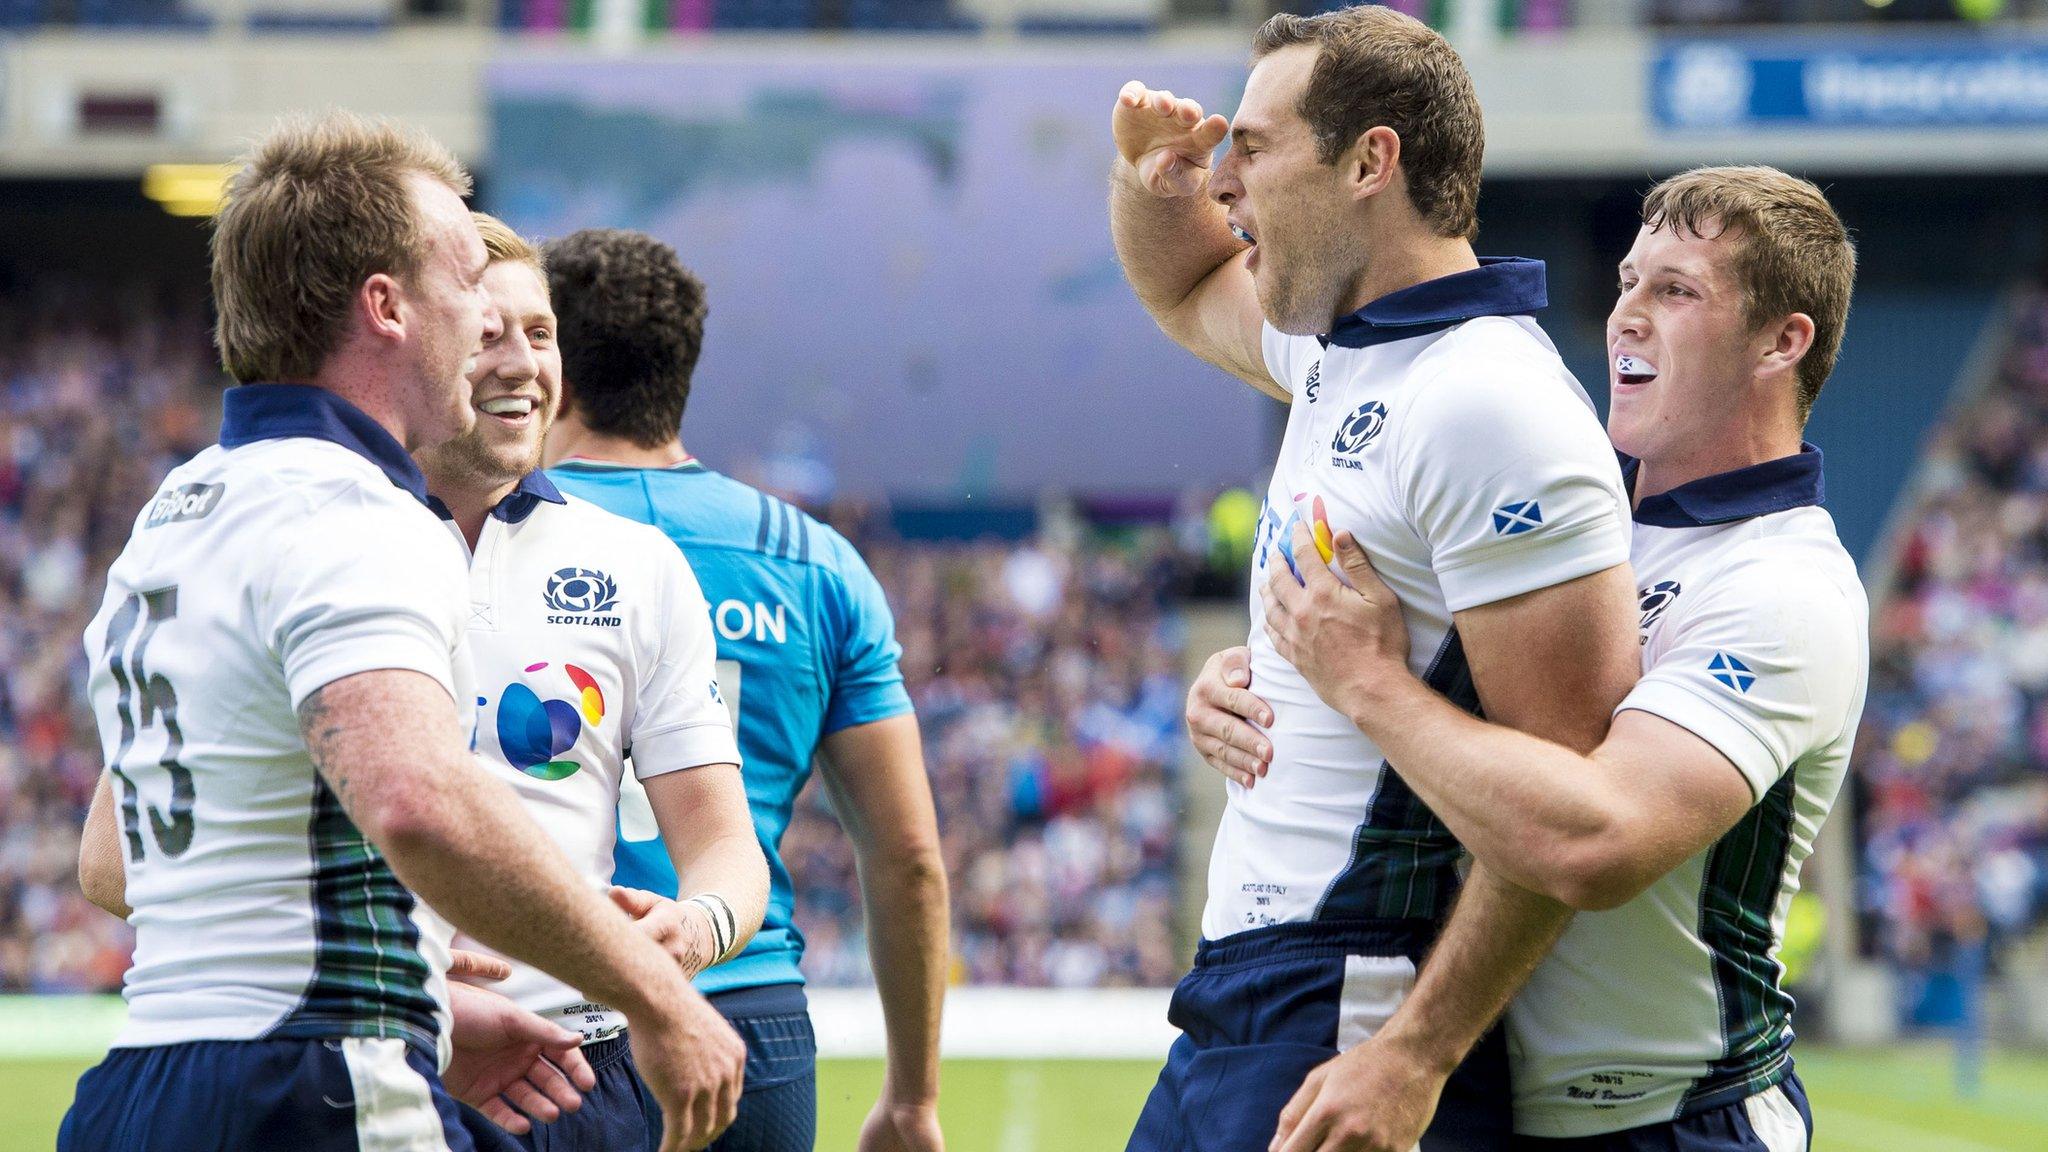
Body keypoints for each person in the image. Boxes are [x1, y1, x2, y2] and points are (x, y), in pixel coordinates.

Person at [63, 113, 741, 1152]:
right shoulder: (356, 511)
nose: (486, 324)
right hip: (312, 1085)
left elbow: (129, 860)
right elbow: (419, 804)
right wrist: (658, 994)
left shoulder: (184, 504)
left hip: (148, 1080)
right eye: (467, 280)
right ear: (385, 307)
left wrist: (428, 996)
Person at [1197, 166, 1866, 1152]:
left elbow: (1592, 846)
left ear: (1782, 340)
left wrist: (1367, 686)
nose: (1624, 316)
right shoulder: (1570, 528)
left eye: (1673, 291)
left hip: (1674, 1121)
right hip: (1494, 1110)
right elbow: (1441, 722)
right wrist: (1265, 686)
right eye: (1627, 282)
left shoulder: (1782, 588)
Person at [1110, 6, 1643, 1150]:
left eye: (1250, 149)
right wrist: (1151, 182)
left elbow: (1565, 800)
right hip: (1250, 999)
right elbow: (1179, 288)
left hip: (1352, 999)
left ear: (1369, 161)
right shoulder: (1343, 350)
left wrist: (1415, 1052)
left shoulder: (1484, 400)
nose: (1224, 182)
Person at [541, 229, 949, 1152]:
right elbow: (908, 856)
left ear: (552, 363)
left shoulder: (492, 530)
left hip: (544, 1018)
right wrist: (913, 1099)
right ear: (681, 372)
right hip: (744, 1017)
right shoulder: (817, 565)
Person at [417, 214, 766, 1149]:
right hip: (378, 1057)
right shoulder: (325, 543)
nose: (522, 363)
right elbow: (119, 861)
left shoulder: (639, 567)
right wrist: (388, 958)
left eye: (540, 334)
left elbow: (729, 849)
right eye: (488, 334)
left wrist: (698, 926)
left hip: (575, 1084)